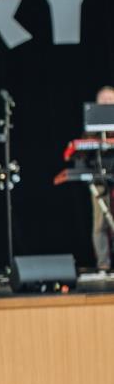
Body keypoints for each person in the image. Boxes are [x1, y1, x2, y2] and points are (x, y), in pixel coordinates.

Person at [90, 86, 114, 270]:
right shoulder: (92, 126)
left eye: (110, 100)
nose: (106, 104)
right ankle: (103, 263)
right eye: (103, 101)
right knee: (100, 222)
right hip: (99, 178)